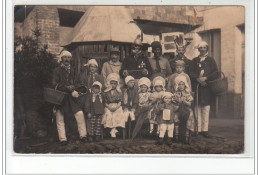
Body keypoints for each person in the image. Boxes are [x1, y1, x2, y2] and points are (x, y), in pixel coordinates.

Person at [52, 50, 87, 145]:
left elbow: (80, 83)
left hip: (73, 97)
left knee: (79, 114)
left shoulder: (75, 70)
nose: (67, 59)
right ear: (61, 58)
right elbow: (54, 84)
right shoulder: (57, 71)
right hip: (61, 97)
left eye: (68, 57)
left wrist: (74, 88)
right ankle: (62, 139)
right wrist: (66, 88)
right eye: (65, 57)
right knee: (59, 116)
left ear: (70, 59)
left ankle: (83, 136)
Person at [189, 41, 219, 137]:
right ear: (198, 49)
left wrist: (206, 78)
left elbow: (216, 73)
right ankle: (197, 129)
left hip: (207, 88)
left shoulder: (211, 60)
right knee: (197, 108)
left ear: (207, 49)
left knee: (206, 109)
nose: (202, 50)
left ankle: (205, 130)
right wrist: (197, 79)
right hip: (197, 88)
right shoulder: (194, 61)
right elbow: (190, 72)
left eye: (204, 48)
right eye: (200, 48)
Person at [172, 75, 195, 144]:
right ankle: (176, 135)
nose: (181, 86)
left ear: (185, 85)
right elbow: (173, 103)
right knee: (175, 116)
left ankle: (187, 135)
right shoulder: (175, 94)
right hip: (178, 108)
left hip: (186, 108)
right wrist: (178, 102)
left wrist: (184, 101)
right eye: (179, 84)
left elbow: (190, 104)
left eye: (182, 84)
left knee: (190, 115)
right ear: (177, 85)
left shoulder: (187, 93)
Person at [102, 73, 125, 138]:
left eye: (114, 84)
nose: (113, 85)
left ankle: (113, 130)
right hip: (108, 106)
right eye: (111, 83)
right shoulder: (106, 92)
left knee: (118, 113)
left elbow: (120, 102)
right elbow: (105, 102)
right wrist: (109, 107)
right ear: (109, 83)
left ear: (117, 84)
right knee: (108, 113)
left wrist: (116, 107)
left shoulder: (119, 92)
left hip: (117, 105)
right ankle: (114, 130)